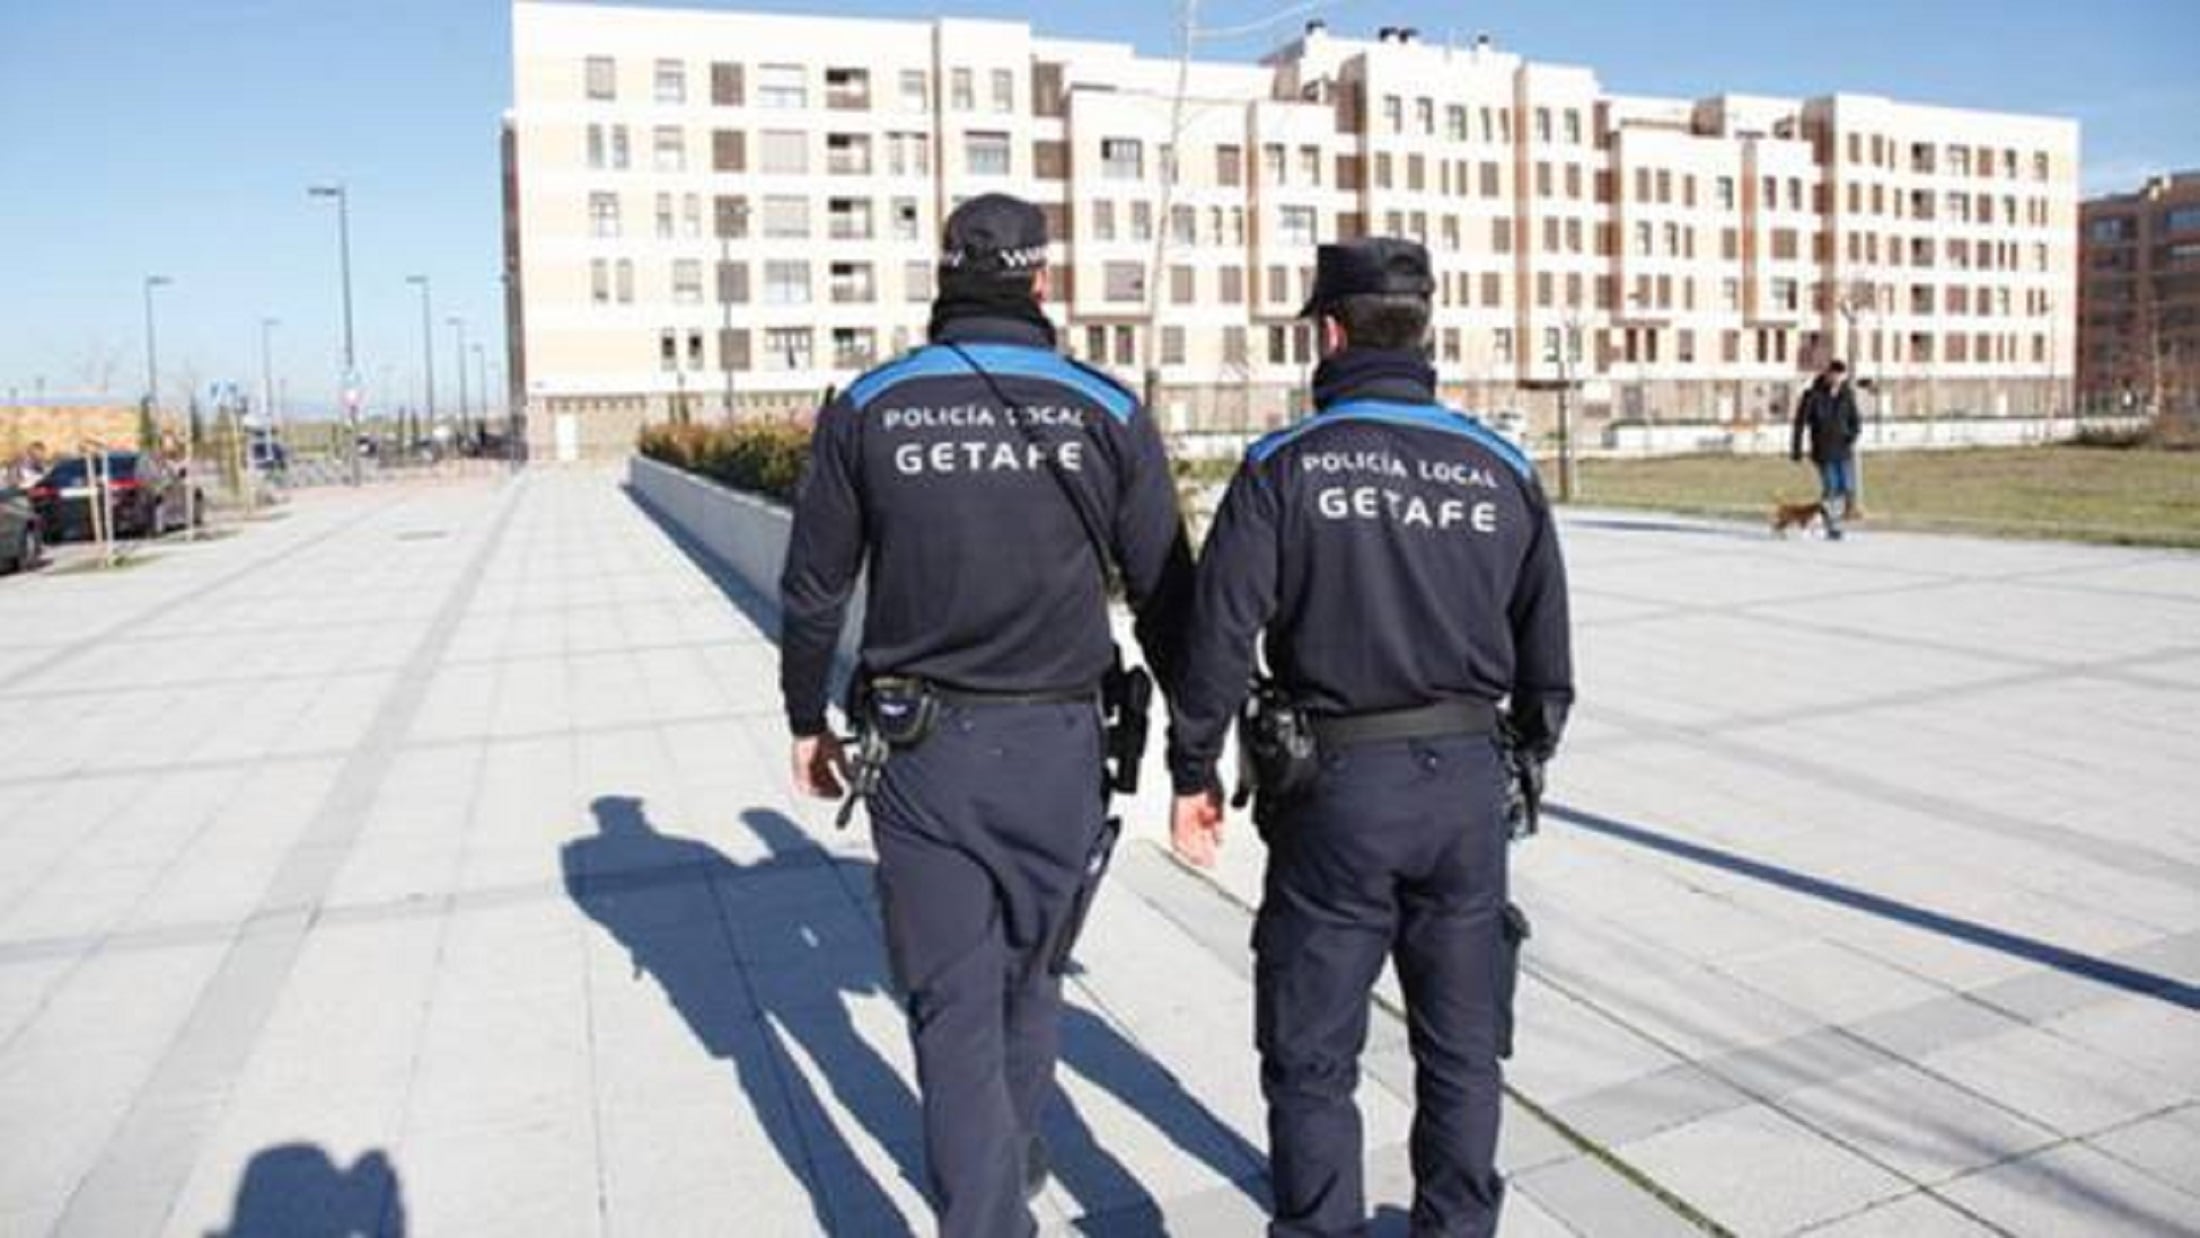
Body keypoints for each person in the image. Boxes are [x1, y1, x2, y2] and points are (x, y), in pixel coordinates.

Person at [779, 192, 1194, 1237]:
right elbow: (1168, 592)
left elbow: (812, 587)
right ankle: (1002, 1157)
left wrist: (803, 716)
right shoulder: (1104, 406)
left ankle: (989, 1197)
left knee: (954, 1004)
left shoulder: (872, 403)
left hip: (923, 755)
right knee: (1032, 976)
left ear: (944, 271)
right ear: (1042, 280)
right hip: (1061, 749)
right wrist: (1197, 754)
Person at [1166, 238, 1573, 1238]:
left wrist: (1191, 770)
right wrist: (1524, 753)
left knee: (1311, 1049)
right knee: (1463, 1043)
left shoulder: (1282, 465)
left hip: (1336, 790)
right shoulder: (1501, 464)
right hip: (1468, 788)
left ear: (1331, 330)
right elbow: (1547, 652)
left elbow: (1218, 632)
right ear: (1423, 329)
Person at [1791, 360, 1862, 538]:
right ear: (1827, 374)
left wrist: (1852, 436)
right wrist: (1797, 449)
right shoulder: (1813, 395)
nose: (1837, 379)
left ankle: (1820, 518)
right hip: (1823, 450)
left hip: (1843, 449)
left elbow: (1856, 420)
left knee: (1845, 487)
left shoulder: (1847, 395)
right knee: (1831, 486)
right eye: (1834, 375)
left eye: (1840, 375)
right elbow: (1800, 423)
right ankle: (1832, 526)